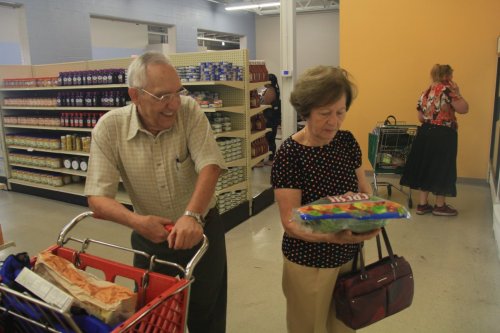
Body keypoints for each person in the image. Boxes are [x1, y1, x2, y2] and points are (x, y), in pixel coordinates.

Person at [84, 51, 228, 333]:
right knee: (155, 319)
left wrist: (192, 216)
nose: (173, 104)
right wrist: (137, 222)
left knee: (207, 315)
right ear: (135, 95)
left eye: (178, 92)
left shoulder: (189, 110)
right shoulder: (110, 128)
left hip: (203, 231)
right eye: (162, 96)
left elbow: (210, 165)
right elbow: (97, 199)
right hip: (150, 237)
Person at [270, 65, 380, 333]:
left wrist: (372, 214)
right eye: (325, 114)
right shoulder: (290, 154)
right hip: (309, 262)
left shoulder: (346, 142)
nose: (334, 121)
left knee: (345, 325)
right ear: (306, 111)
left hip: (350, 256)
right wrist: (332, 236)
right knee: (308, 326)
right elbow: (290, 222)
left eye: (340, 112)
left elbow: (364, 191)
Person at [400, 64, 469, 216]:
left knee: (426, 165)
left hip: (425, 133)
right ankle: (439, 205)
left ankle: (422, 204)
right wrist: (458, 93)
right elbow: (464, 109)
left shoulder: (425, 92)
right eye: (451, 75)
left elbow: (420, 117)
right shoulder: (448, 90)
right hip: (443, 134)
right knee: (442, 167)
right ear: (446, 76)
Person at [261, 73, 281, 165]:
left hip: (270, 119)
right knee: (271, 139)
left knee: (267, 139)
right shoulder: (274, 89)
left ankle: (267, 160)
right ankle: (270, 159)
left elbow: (265, 103)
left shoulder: (270, 90)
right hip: (273, 118)